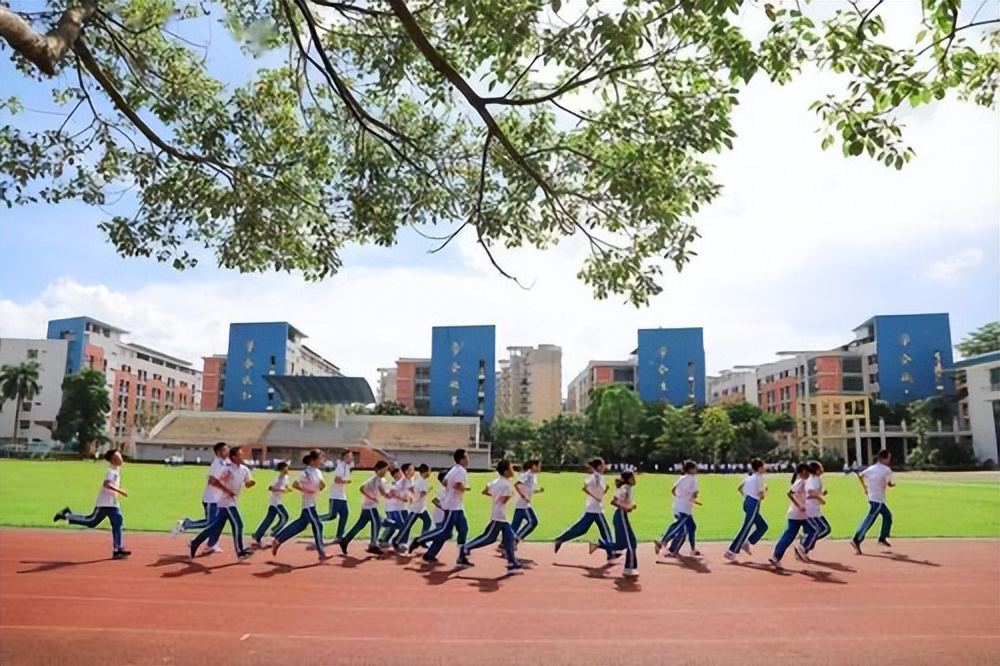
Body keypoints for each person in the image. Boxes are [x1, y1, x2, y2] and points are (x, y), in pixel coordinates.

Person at [53, 449, 131, 560]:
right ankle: (66, 515)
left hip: (113, 504)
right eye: (118, 457)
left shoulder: (116, 470)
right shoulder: (111, 472)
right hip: (104, 504)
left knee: (118, 521)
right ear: (113, 459)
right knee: (91, 522)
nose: (121, 459)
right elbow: (106, 484)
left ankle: (117, 550)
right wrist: (120, 491)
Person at [188, 446, 256, 560]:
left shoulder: (244, 469)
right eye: (239, 455)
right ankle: (240, 552)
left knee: (214, 526)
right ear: (233, 457)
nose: (242, 457)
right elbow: (214, 481)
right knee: (238, 524)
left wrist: (250, 483)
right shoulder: (227, 469)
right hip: (226, 501)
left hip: (232, 500)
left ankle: (195, 542)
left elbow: (247, 482)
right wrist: (227, 490)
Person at [458, 460, 522, 571]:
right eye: (511, 468)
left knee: (510, 537)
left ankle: (512, 562)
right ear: (506, 471)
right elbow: (503, 501)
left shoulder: (496, 482)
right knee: (489, 538)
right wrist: (508, 495)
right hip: (499, 515)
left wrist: (495, 496)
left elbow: (485, 490)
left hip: (499, 514)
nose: (513, 470)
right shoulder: (506, 485)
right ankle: (466, 547)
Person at [409, 449, 470, 564]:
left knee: (462, 529)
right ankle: (420, 539)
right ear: (462, 459)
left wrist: (450, 490)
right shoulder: (461, 470)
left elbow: (445, 482)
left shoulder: (453, 469)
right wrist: (465, 488)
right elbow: (457, 485)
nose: (468, 459)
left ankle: (461, 556)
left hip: (456, 505)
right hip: (453, 506)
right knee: (444, 531)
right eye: (467, 456)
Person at [170, 442, 229, 554]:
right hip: (211, 499)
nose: (227, 452)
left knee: (218, 522)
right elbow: (212, 481)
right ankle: (186, 524)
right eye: (225, 450)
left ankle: (211, 544)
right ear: (218, 452)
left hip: (219, 499)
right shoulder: (217, 464)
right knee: (210, 523)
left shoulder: (224, 463)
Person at [552, 458, 616, 560]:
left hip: (593, 508)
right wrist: (596, 496)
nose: (605, 466)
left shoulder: (600, 477)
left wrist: (601, 494)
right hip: (596, 509)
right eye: (603, 465)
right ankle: (610, 553)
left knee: (582, 529)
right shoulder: (595, 477)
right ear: (599, 466)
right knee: (606, 531)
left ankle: (560, 539)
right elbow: (585, 487)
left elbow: (602, 489)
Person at [271, 449, 329, 561]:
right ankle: (321, 552)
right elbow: (295, 484)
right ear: (312, 460)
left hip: (312, 503)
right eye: (319, 458)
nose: (321, 461)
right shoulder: (306, 473)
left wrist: (320, 487)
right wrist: (306, 490)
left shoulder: (318, 472)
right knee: (318, 525)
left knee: (301, 525)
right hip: (308, 505)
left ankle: (278, 539)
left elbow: (321, 485)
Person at [591, 470, 639, 577]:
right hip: (621, 516)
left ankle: (600, 544)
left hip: (622, 516)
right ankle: (629, 568)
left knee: (621, 544)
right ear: (628, 478)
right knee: (632, 543)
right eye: (633, 477)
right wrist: (628, 507)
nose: (635, 479)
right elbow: (614, 501)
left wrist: (630, 506)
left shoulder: (627, 488)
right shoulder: (624, 488)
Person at [340, 460, 390, 556]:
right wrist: (372, 497)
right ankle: (372, 545)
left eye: (386, 470)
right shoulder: (375, 480)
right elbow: (362, 488)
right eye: (384, 470)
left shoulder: (377, 480)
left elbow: (382, 492)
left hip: (367, 507)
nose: (385, 472)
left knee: (360, 525)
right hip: (370, 507)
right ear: (378, 470)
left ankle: (345, 540)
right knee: (376, 524)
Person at [769, 463, 813, 569]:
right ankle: (801, 548)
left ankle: (777, 556)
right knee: (813, 531)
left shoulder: (805, 482)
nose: (809, 474)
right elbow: (789, 493)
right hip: (797, 514)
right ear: (802, 472)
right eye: (807, 472)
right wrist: (800, 505)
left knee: (791, 535)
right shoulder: (799, 482)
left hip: (802, 514)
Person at [851, 449, 895, 554]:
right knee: (869, 520)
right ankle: (856, 539)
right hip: (878, 499)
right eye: (888, 458)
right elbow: (889, 483)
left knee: (888, 517)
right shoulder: (886, 470)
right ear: (883, 458)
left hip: (873, 497)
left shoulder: (871, 468)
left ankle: (882, 537)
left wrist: (865, 487)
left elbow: (860, 475)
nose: (889, 460)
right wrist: (891, 485)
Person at [724, 458, 768, 561]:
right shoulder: (759, 478)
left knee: (763, 526)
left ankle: (746, 543)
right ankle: (731, 551)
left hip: (747, 501)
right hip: (753, 503)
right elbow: (762, 496)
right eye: (763, 466)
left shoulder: (749, 477)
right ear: (760, 467)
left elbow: (739, 488)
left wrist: (747, 494)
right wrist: (764, 490)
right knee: (746, 528)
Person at [656, 460, 701, 558]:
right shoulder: (693, 479)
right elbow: (695, 493)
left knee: (691, 527)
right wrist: (692, 499)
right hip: (685, 508)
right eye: (694, 468)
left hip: (678, 505)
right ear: (690, 469)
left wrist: (680, 497)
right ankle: (665, 543)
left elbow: (673, 490)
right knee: (680, 529)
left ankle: (692, 548)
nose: (696, 470)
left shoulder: (681, 478)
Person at [251, 460, 291, 548]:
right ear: (281, 469)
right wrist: (281, 490)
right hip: (276, 502)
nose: (287, 469)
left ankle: (258, 535)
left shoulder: (286, 477)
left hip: (277, 501)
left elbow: (287, 486)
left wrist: (287, 489)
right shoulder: (278, 478)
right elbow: (271, 488)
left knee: (269, 519)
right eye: (285, 467)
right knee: (285, 517)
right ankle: (273, 533)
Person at [393, 464, 433, 553]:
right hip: (416, 508)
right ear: (426, 472)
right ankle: (396, 541)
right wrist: (429, 490)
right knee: (407, 526)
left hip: (421, 508)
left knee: (428, 521)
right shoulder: (422, 482)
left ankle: (423, 539)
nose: (430, 474)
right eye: (429, 471)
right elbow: (422, 494)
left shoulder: (419, 480)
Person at [798, 461, 831, 558]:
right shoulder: (815, 479)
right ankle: (804, 544)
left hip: (813, 508)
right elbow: (811, 492)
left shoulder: (812, 479)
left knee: (819, 529)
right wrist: (821, 499)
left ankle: (805, 543)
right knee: (824, 529)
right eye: (820, 467)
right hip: (812, 509)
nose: (822, 468)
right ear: (816, 471)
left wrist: (821, 493)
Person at [322, 450, 353, 543]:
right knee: (332, 516)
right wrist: (346, 482)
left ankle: (339, 536)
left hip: (342, 496)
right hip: (335, 496)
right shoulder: (341, 466)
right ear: (345, 457)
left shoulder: (347, 467)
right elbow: (337, 480)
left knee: (345, 514)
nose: (351, 458)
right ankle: (313, 519)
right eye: (349, 456)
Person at [511, 459, 544, 545]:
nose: (540, 468)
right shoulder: (528, 474)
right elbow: (517, 484)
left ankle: (504, 544)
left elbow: (529, 489)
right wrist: (523, 496)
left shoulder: (533, 476)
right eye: (539, 466)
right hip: (524, 505)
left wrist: (538, 491)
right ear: (533, 466)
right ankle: (515, 540)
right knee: (533, 522)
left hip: (521, 504)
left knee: (514, 526)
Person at [379, 464, 413, 547]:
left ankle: (385, 539)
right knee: (402, 525)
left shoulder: (401, 483)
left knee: (400, 525)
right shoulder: (397, 484)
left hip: (400, 508)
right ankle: (399, 541)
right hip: (395, 508)